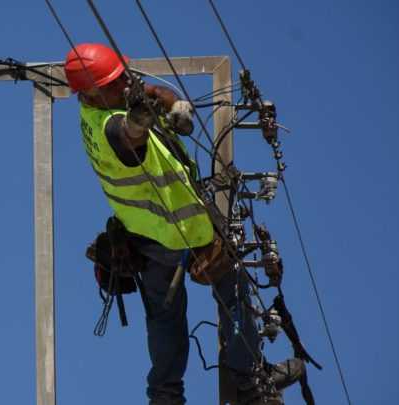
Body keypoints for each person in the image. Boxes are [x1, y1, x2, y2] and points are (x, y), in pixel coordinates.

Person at [64, 43, 303, 405]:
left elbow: (151, 91)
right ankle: (249, 383)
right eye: (115, 81)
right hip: (185, 233)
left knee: (164, 318)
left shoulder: (104, 101)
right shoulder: (108, 125)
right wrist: (141, 120)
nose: (125, 83)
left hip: (148, 238)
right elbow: (126, 137)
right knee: (233, 285)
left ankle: (164, 397)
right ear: (92, 94)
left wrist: (172, 104)